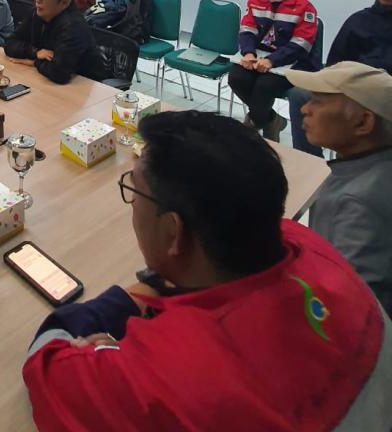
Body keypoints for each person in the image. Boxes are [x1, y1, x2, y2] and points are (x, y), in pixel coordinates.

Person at [22, 110, 392, 431]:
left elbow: (44, 363)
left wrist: (123, 303)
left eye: (134, 190)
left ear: (174, 231)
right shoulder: (311, 247)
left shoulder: (168, 376)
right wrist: (160, 283)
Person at [286, 62, 392, 315]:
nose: (304, 109)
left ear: (363, 122)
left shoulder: (359, 202)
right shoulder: (366, 168)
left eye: (318, 102)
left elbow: (343, 306)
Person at [288, 0, 392, 156]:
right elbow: (335, 63)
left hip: (385, 93)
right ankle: (310, 159)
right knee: (299, 95)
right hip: (352, 89)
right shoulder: (359, 21)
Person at [227, 0, 320, 141]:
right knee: (236, 77)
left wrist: (272, 60)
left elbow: (301, 44)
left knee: (264, 85)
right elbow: (247, 29)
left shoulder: (304, 7)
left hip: (291, 62)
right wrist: (248, 53)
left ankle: (255, 123)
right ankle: (271, 120)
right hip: (258, 56)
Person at [4, 0, 98, 84]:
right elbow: (9, 44)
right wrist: (35, 52)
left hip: (85, 87)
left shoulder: (73, 26)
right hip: (45, 82)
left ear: (64, 2)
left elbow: (59, 73)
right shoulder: (37, 13)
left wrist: (34, 62)